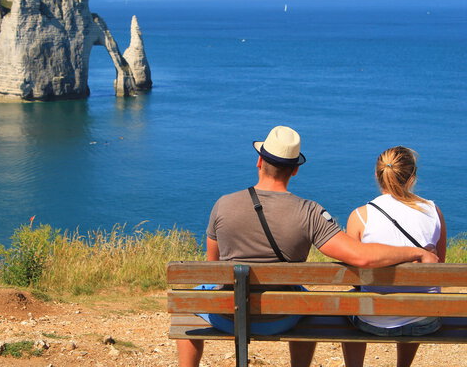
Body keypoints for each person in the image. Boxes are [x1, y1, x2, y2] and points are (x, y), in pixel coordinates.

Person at [176, 126, 439, 367]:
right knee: (306, 304)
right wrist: (416, 252)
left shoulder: (224, 204)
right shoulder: (309, 212)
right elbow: (361, 257)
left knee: (191, 301)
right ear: (295, 170)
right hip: (283, 317)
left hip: (229, 317)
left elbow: (212, 267)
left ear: (259, 161)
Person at [341, 146, 447, 367]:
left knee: (349, 300)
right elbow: (440, 271)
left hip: (372, 321)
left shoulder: (360, 216)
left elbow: (353, 277)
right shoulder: (434, 212)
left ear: (377, 175)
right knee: (416, 300)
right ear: (412, 176)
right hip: (424, 321)